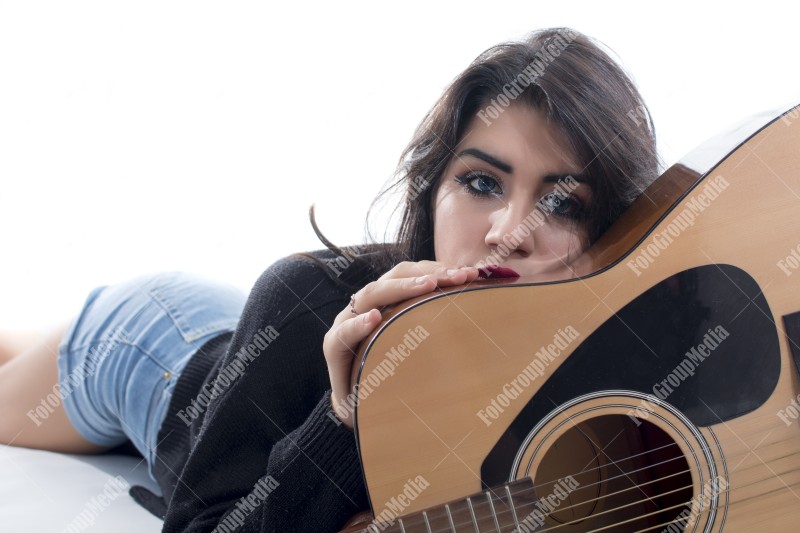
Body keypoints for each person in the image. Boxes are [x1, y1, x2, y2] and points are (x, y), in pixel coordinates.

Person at [0, 27, 659, 532]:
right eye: (482, 182)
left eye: (563, 203)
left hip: (233, 343)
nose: (510, 231)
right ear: (433, 192)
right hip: (150, 353)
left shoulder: (618, 358)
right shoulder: (306, 296)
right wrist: (350, 411)